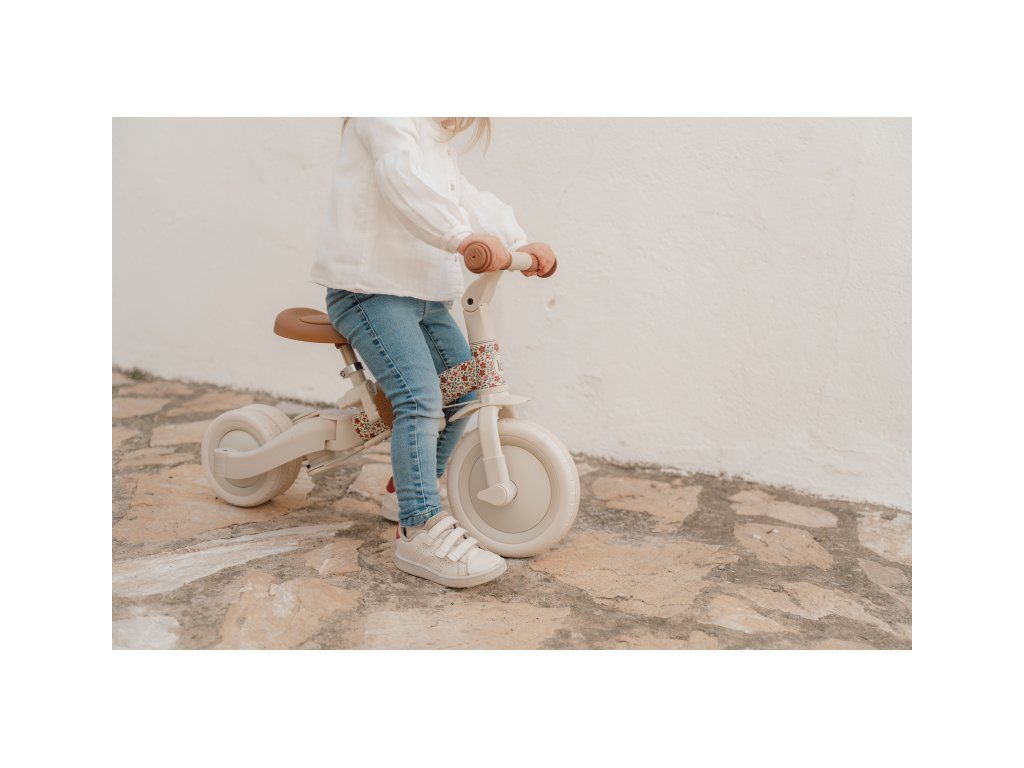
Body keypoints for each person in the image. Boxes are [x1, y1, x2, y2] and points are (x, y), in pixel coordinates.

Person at [313, 117, 556, 588]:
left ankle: (403, 489)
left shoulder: (432, 133)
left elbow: (461, 195)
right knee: (420, 399)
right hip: (370, 290)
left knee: (463, 387)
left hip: (424, 294)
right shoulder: (383, 114)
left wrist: (516, 240)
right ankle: (419, 526)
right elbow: (401, 177)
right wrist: (459, 237)